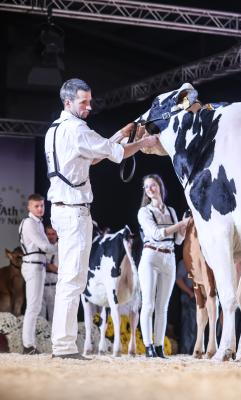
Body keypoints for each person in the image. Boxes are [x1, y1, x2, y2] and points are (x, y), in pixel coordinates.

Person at [45, 78, 159, 360]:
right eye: (83, 102)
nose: (89, 106)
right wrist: (144, 142)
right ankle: (63, 347)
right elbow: (116, 155)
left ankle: (63, 343)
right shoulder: (77, 129)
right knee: (73, 280)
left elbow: (94, 157)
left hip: (62, 210)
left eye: (89, 100)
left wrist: (121, 133)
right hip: (73, 211)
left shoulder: (55, 129)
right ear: (68, 102)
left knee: (70, 279)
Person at [138, 174, 189, 358]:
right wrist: (179, 225)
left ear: (160, 186)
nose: (150, 189)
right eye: (147, 187)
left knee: (163, 306)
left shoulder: (172, 211)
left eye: (153, 185)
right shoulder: (144, 212)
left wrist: (182, 229)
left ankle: (159, 346)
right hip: (151, 256)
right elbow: (156, 233)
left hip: (169, 258)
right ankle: (148, 346)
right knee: (149, 304)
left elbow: (178, 241)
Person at [19, 194, 58, 354]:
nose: (40, 208)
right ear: (29, 207)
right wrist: (62, 244)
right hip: (33, 266)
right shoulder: (29, 223)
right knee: (33, 307)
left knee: (34, 308)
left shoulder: (38, 224)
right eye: (36, 206)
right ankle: (27, 345)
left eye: (42, 205)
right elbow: (45, 246)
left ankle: (30, 344)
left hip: (38, 266)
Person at [176, 258, 197, 354]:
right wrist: (190, 293)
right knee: (188, 325)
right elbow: (178, 280)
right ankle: (186, 350)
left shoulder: (197, 261)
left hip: (194, 295)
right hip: (188, 295)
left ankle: (192, 350)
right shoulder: (184, 262)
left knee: (194, 326)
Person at [41, 226, 59, 322]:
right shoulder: (41, 248)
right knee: (40, 319)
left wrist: (44, 263)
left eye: (53, 234)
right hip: (41, 286)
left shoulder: (61, 249)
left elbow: (58, 269)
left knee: (54, 319)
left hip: (54, 287)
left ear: (57, 235)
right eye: (48, 234)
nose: (50, 236)